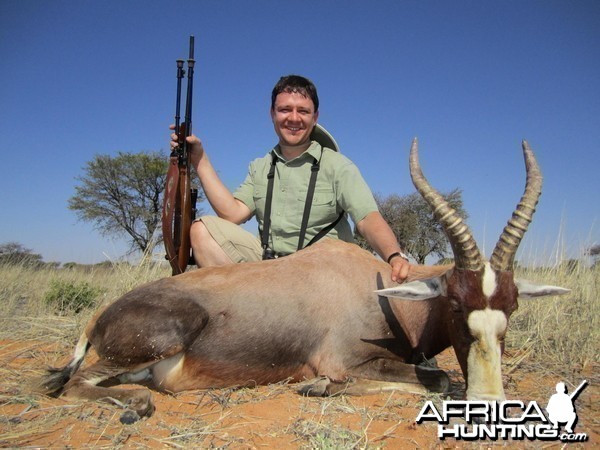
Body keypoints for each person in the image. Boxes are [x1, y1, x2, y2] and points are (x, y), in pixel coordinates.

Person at [171, 75, 410, 282]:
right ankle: (244, 313)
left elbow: (367, 218)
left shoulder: (338, 165)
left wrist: (394, 256)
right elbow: (232, 213)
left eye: (303, 111)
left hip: (324, 273)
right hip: (271, 270)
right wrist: (199, 159)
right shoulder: (260, 166)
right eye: (285, 109)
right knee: (201, 230)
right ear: (272, 114)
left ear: (315, 117)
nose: (293, 118)